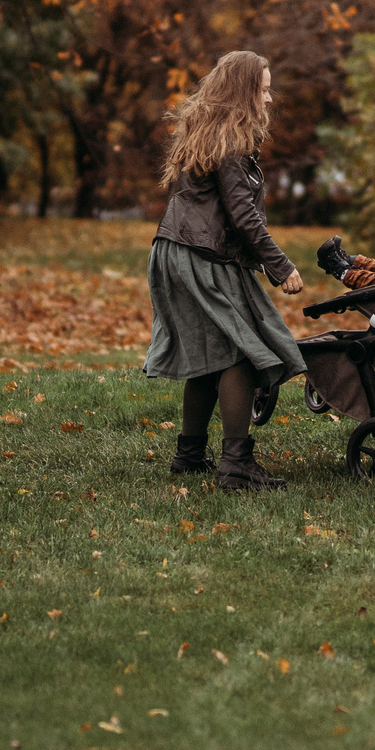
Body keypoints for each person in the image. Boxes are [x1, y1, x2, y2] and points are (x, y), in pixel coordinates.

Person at [145, 50, 306, 491]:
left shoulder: (208, 132)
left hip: (178, 249)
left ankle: (189, 455)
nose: (269, 99)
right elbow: (242, 215)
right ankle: (236, 465)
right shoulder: (232, 142)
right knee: (242, 353)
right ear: (243, 91)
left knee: (207, 356)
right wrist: (280, 266)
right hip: (201, 255)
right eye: (263, 90)